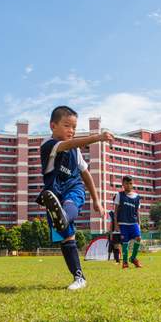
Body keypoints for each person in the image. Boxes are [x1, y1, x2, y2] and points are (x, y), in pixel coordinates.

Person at [37, 106, 114, 290]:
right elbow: (67, 145)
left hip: (73, 187)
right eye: (67, 126)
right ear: (53, 126)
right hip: (54, 193)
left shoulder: (75, 151)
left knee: (70, 203)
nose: (71, 131)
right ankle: (79, 278)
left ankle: (63, 216)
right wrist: (98, 137)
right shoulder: (47, 145)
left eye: (74, 127)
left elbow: (85, 173)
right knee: (66, 237)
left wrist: (96, 200)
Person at [113, 175, 142, 269]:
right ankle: (125, 262)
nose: (129, 185)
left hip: (134, 223)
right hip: (123, 224)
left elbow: (137, 211)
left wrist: (139, 223)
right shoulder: (119, 195)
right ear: (123, 184)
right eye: (126, 183)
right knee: (125, 242)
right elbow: (116, 211)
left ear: (133, 184)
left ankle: (133, 258)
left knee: (138, 238)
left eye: (131, 183)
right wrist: (116, 224)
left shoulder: (137, 197)